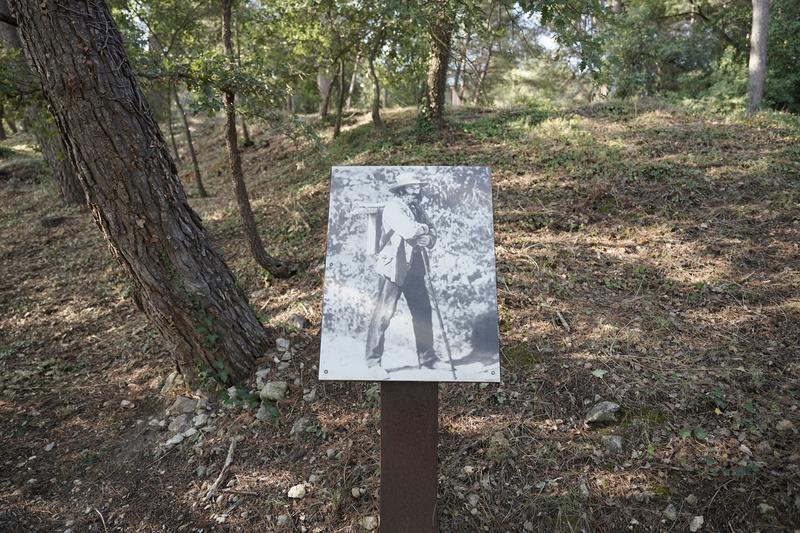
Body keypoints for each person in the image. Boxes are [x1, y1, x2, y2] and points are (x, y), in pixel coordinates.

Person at [365, 173, 443, 374]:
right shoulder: (393, 207)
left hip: (416, 268)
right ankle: (373, 363)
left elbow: (433, 230)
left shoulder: (417, 207)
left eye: (418, 187)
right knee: (383, 315)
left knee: (422, 313)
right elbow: (409, 231)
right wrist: (424, 231)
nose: (417, 191)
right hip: (394, 268)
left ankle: (427, 359)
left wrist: (429, 239)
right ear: (401, 190)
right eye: (411, 188)